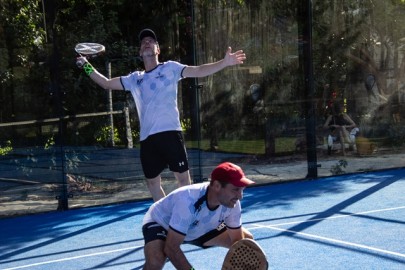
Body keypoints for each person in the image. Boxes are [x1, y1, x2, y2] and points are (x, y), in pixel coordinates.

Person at [76, 29, 246, 201]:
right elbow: (106, 83)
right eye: (144, 42)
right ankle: (165, 219)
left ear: (158, 50)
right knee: (152, 184)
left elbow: (199, 70)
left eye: (151, 41)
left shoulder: (171, 68)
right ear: (140, 52)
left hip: (171, 133)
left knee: (183, 180)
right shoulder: (135, 78)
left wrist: (224, 63)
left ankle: (189, 218)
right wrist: (85, 65)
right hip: (148, 139)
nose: (147, 43)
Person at [142, 162, 255, 270]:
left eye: (242, 190)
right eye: (235, 189)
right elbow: (171, 248)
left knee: (246, 244)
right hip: (162, 223)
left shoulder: (233, 203)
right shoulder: (187, 201)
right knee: (155, 261)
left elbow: (237, 242)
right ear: (217, 185)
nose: (240, 196)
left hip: (198, 228)